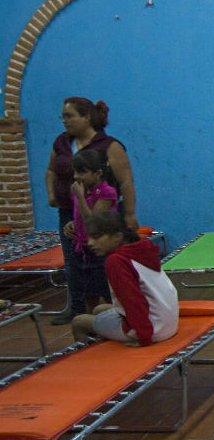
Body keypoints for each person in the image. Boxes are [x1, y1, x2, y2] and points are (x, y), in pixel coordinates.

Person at [45, 97, 139, 325]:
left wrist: (129, 214)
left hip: (100, 216)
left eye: (69, 116)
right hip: (71, 213)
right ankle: (77, 308)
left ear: (86, 117)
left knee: (101, 263)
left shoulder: (108, 145)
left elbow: (125, 182)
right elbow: (51, 171)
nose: (64, 121)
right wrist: (52, 195)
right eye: (63, 117)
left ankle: (112, 306)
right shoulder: (62, 143)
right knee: (74, 261)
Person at [71, 210, 178, 346]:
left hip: (152, 331)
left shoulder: (116, 261)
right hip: (168, 323)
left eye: (96, 237)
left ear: (117, 237)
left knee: (79, 322)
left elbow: (132, 300)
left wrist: (143, 337)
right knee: (99, 309)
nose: (90, 243)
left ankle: (92, 362)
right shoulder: (142, 248)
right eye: (89, 237)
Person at [62, 149, 118, 312]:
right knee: (88, 291)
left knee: (105, 291)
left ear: (98, 173)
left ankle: (113, 321)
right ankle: (92, 327)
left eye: (82, 172)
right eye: (75, 172)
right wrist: (72, 224)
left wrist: (79, 197)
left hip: (101, 251)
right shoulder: (81, 191)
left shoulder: (106, 192)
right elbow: (80, 217)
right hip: (83, 249)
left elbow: (93, 222)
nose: (77, 176)